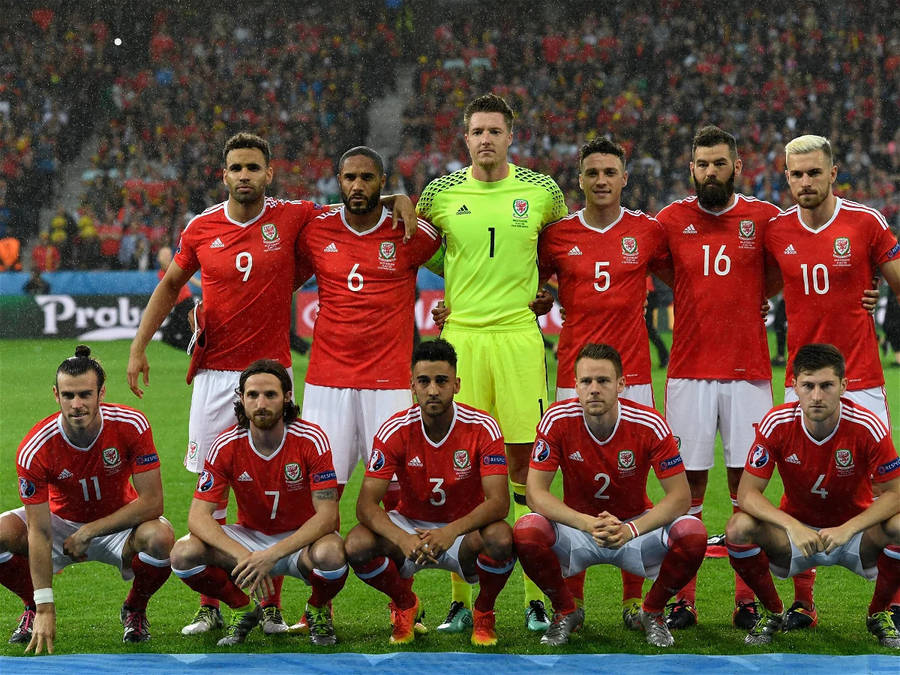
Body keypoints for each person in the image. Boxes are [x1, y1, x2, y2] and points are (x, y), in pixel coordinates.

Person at [127, 132, 416, 635]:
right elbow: (171, 285)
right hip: (215, 377)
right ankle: (216, 605)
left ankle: (278, 605)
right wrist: (137, 347)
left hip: (268, 374)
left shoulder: (292, 215)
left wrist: (396, 197)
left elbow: (354, 200)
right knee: (210, 493)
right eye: (236, 167)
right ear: (223, 174)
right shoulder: (201, 228)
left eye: (253, 167)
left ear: (269, 173)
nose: (244, 176)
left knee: (273, 483)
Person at [416, 93, 568, 632]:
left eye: (494, 131)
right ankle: (462, 598)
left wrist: (545, 287)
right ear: (465, 138)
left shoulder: (542, 191)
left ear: (511, 136)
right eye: (476, 131)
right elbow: (426, 250)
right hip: (462, 338)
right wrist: (457, 284)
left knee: (527, 466)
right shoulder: (439, 193)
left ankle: (532, 596)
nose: (485, 139)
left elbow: (559, 248)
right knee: (462, 472)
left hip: (518, 337)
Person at [763, 135, 900, 628]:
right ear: (786, 176)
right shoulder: (776, 230)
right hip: (803, 381)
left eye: (813, 172)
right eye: (795, 174)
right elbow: (758, 283)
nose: (804, 182)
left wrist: (879, 286)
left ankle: (885, 607)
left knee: (884, 491)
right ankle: (803, 602)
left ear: (833, 172)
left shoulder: (865, 223)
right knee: (799, 486)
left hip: (861, 377)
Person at [536, 136, 670, 625]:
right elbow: (531, 281)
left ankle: (635, 599)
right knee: (574, 488)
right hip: (575, 377)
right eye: (592, 173)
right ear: (580, 179)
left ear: (624, 178)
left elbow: (688, 280)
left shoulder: (648, 232)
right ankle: (571, 605)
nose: (601, 181)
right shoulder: (556, 236)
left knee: (633, 486)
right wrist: (542, 298)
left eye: (609, 172)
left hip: (632, 375)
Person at [654, 125, 782, 630]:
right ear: (691, 169)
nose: (711, 171)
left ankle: (745, 599)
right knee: (686, 490)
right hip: (688, 372)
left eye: (719, 163)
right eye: (702, 164)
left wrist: (755, 292)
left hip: (749, 372)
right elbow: (666, 270)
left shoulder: (765, 217)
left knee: (744, 488)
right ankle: (683, 600)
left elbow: (782, 269)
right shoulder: (670, 219)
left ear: (738, 167)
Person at [513, 343, 707, 648]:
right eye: (585, 381)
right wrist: (586, 524)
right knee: (526, 530)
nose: (593, 389)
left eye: (603, 381)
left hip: (633, 532)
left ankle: (652, 612)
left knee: (692, 533)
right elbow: (536, 494)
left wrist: (631, 529)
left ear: (621, 384)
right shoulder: (556, 419)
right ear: (574, 385)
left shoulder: (649, 423)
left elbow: (680, 497)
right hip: (578, 532)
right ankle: (566, 611)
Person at [726, 343, 900, 648]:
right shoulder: (776, 423)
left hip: (855, 537)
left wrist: (849, 528)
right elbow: (747, 494)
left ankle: (879, 613)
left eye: (826, 386)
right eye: (808, 385)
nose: (817, 396)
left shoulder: (867, 425)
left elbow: (896, 494)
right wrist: (792, 525)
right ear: (794, 386)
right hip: (795, 537)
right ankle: (773, 611)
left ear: (844, 386)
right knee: (739, 528)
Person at [0, 346, 174, 652]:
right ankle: (31, 607)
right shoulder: (36, 447)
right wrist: (45, 606)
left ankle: (134, 609)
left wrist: (89, 531)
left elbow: (152, 503)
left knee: (161, 537)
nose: (76, 404)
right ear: (56, 394)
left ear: (101, 393)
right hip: (58, 524)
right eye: (68, 395)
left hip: (118, 524)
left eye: (85, 394)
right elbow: (39, 531)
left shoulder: (131, 424)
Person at [344, 339, 515, 647]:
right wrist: (402, 538)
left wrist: (450, 532)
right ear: (412, 386)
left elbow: (499, 503)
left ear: (457, 384)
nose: (433, 390)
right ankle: (405, 602)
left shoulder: (482, 426)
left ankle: (484, 611)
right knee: (356, 544)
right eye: (424, 381)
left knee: (501, 539)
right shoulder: (394, 429)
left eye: (441, 381)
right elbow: (366, 506)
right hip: (409, 528)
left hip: (463, 534)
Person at [170, 359, 346, 647]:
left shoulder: (311, 439)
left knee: (333, 553)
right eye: (252, 395)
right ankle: (242, 609)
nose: (261, 403)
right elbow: (198, 517)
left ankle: (316, 609)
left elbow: (327, 517)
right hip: (249, 539)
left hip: (297, 542)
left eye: (270, 395)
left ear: (287, 397)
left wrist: (272, 555)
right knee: (183, 553)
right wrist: (243, 555)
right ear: (241, 399)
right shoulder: (225, 444)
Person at [297, 146, 440, 496]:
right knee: (321, 493)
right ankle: (322, 551)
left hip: (389, 383)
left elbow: (465, 262)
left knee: (398, 492)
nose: (357, 185)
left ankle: (393, 552)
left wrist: (455, 305)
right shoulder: (315, 229)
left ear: (382, 181)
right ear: (338, 182)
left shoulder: (410, 231)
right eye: (350, 177)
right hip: (326, 382)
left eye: (367, 177)